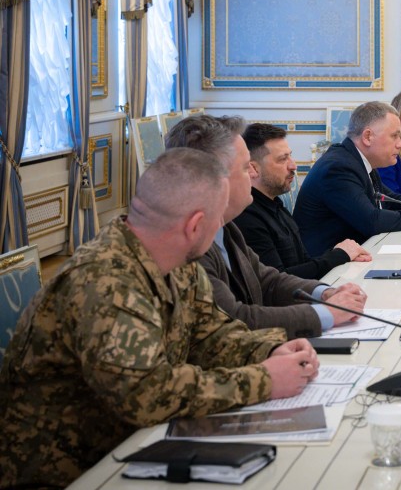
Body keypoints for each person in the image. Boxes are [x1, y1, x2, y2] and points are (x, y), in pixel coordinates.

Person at [0, 149, 321, 487]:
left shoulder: (176, 262)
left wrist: (269, 350)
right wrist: (264, 380)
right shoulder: (105, 282)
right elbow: (147, 394)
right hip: (68, 473)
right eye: (218, 221)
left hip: (132, 449)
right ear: (195, 226)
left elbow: (211, 334)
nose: (220, 229)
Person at [166, 115, 367, 339]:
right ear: (214, 179)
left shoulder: (226, 227)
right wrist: (326, 314)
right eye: (245, 168)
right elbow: (234, 318)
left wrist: (325, 293)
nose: (252, 175)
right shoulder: (191, 243)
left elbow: (267, 279)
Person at [295, 101, 401, 253]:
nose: (400, 144)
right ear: (368, 137)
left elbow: (389, 200)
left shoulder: (358, 159)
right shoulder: (338, 168)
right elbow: (372, 221)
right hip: (328, 263)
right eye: (394, 136)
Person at [234, 123, 373, 280]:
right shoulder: (247, 217)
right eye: (282, 159)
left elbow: (303, 262)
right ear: (253, 169)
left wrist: (341, 253)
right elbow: (277, 282)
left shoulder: (275, 205)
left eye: (290, 156)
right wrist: (339, 256)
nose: (293, 166)